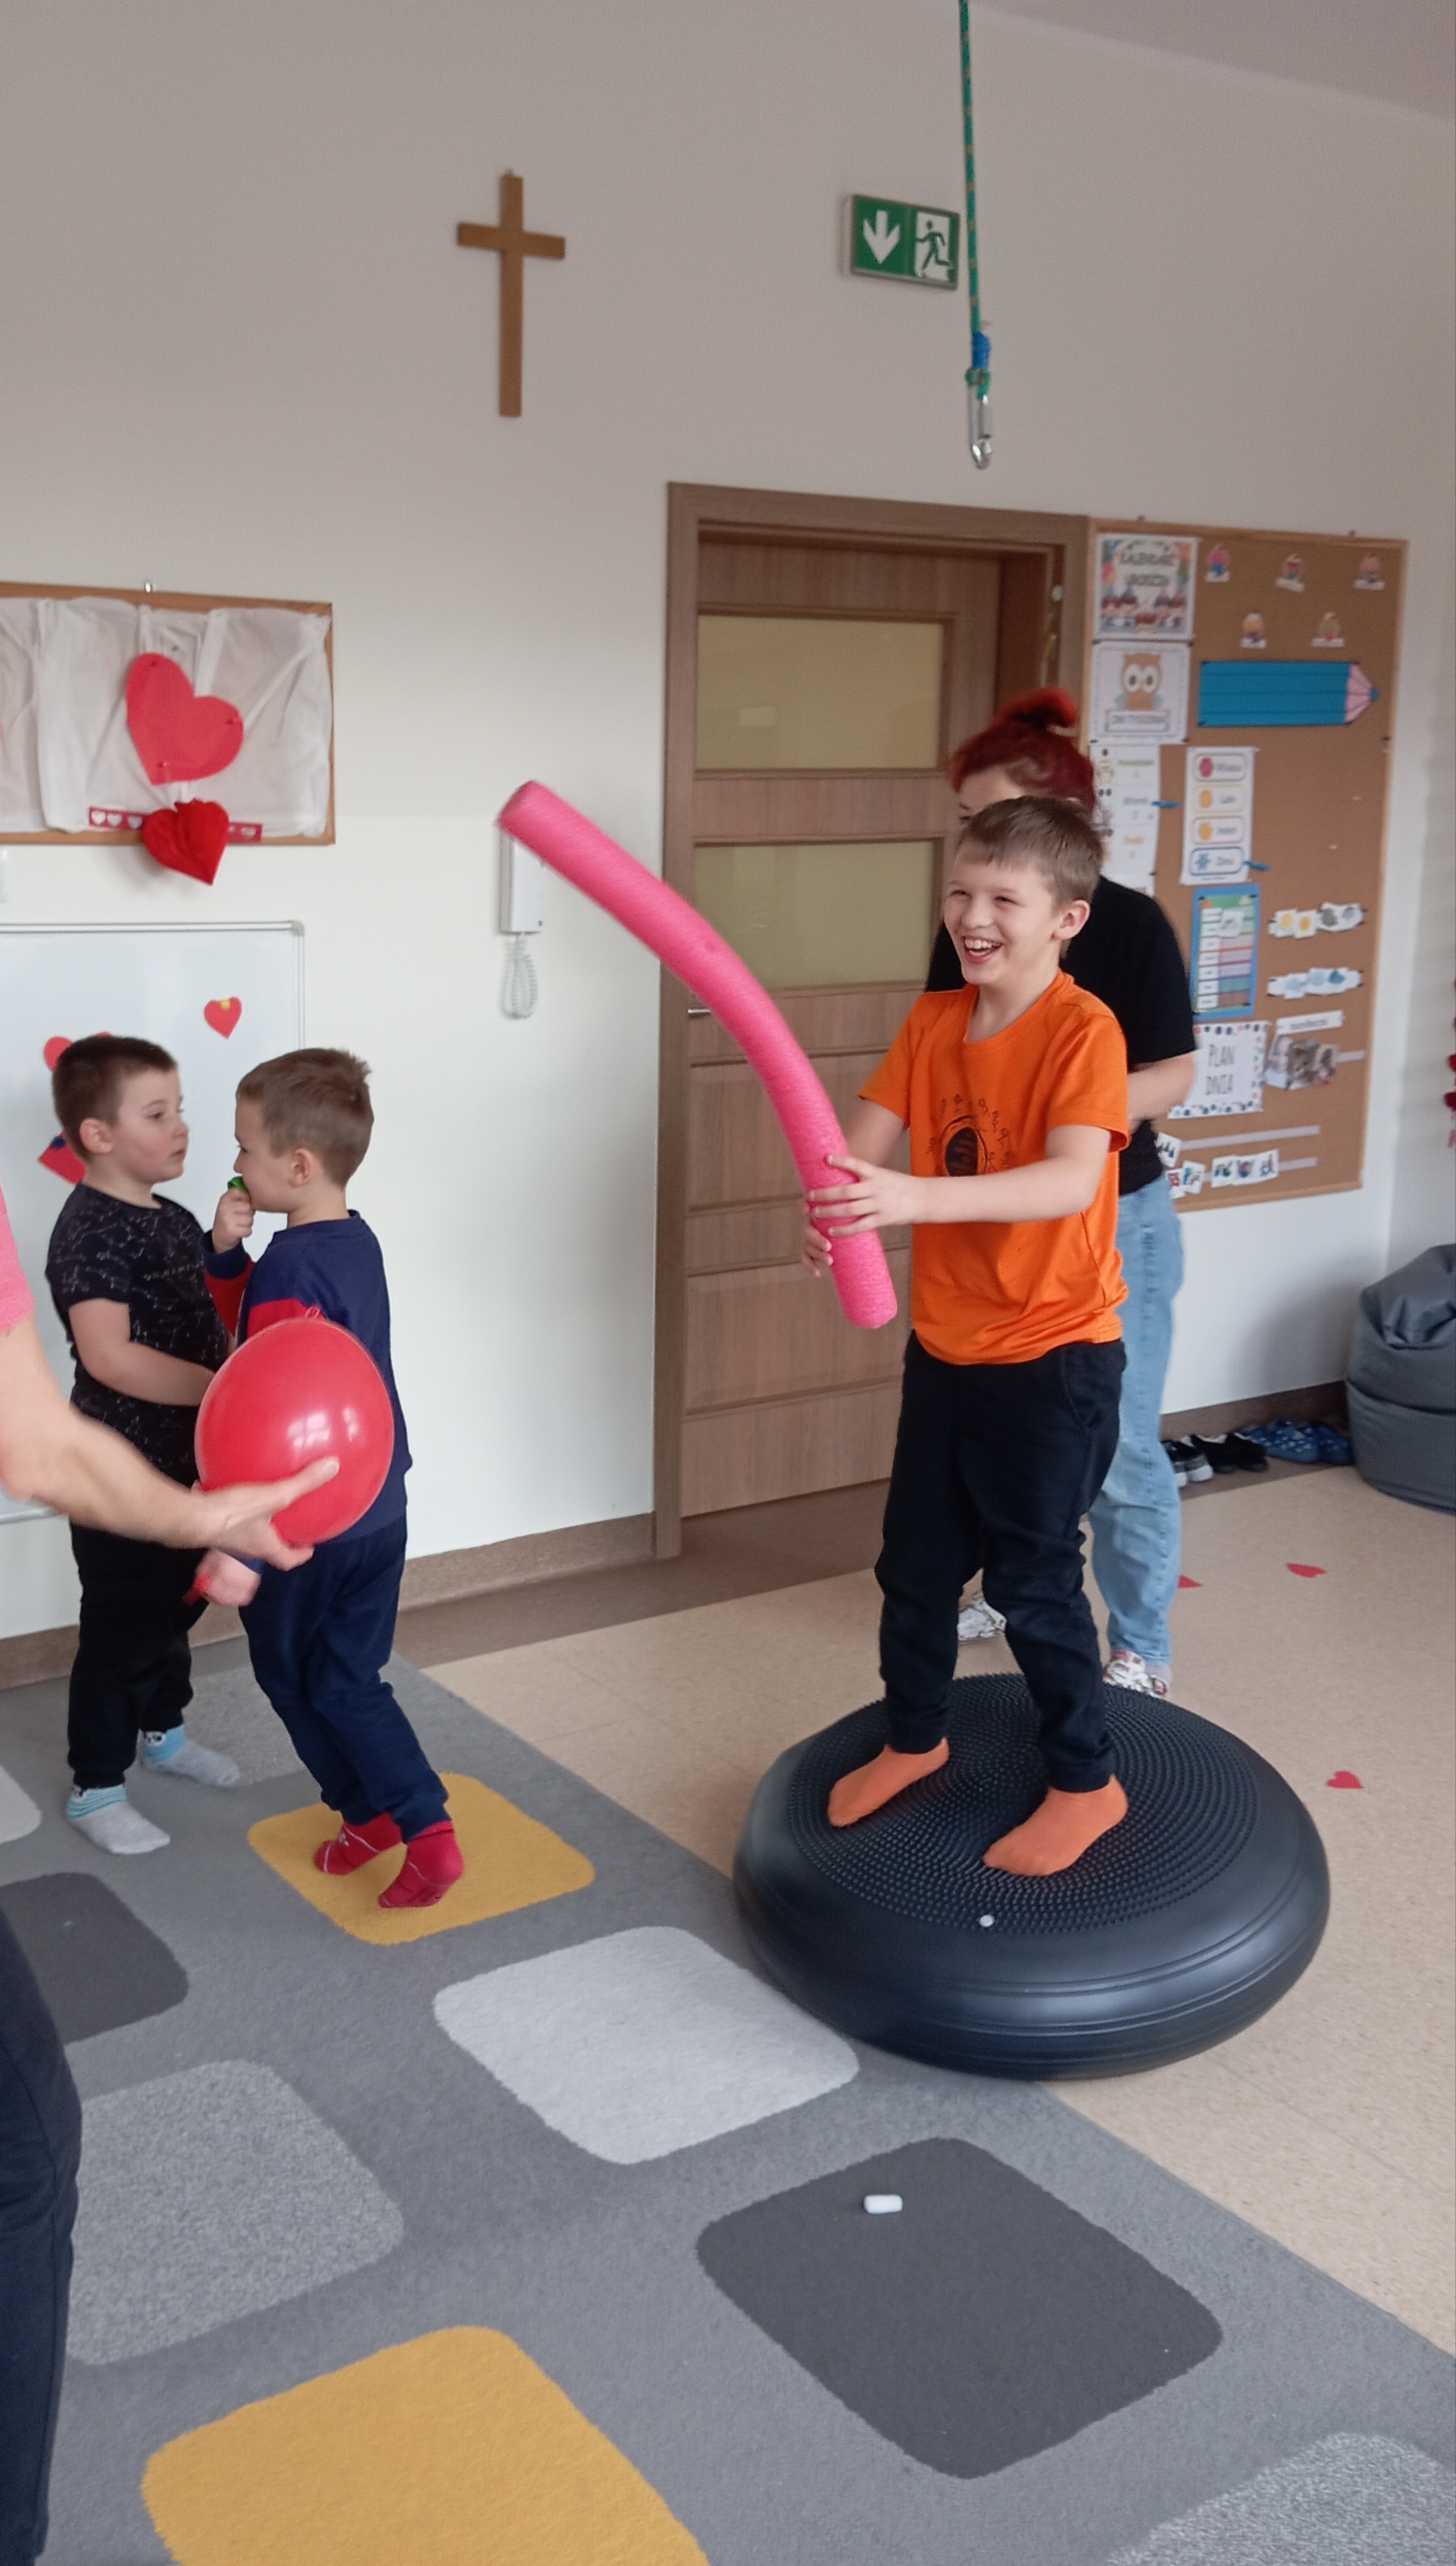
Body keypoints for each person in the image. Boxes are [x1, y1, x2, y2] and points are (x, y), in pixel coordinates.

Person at [0, 1175, 333, 2566]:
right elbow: (55, 1420)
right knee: (23, 2155)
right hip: (135, 1485)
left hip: (168, 1491)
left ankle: (153, 1739)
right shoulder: (85, 1232)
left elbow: (32, 1434)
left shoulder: (189, 1223)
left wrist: (205, 1509)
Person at [805, 797, 1130, 1876]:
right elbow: (859, 1158)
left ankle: (1085, 1782)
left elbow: (1070, 1177)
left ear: (1066, 918)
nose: (971, 916)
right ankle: (914, 1736)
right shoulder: (933, 1020)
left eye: (1003, 898)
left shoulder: (1082, 1031)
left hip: (1053, 1356)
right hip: (946, 1352)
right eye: (959, 891)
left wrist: (907, 1199)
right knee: (913, 1566)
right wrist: (840, 1209)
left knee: (1032, 1583)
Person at [928, 691, 1196, 1696]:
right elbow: (937, 1057)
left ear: (1062, 818)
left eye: (990, 814)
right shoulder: (966, 927)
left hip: (1113, 1219)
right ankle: (1017, 1585)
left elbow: (1172, 1072)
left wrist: (1067, 1117)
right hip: (1001, 1214)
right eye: (966, 820)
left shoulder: (1126, 926)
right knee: (1006, 1420)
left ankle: (1141, 1645)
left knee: (1114, 1441)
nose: (975, 894)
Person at [204, 1050, 462, 1910]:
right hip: (378, 1507)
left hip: (308, 1524)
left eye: (245, 1147)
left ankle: (398, 1819)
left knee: (292, 1676)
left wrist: (240, 1543)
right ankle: (398, 1820)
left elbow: (266, 1403)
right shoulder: (356, 1242)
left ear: (297, 1165)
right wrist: (229, 1257)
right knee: (350, 1675)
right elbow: (275, 1344)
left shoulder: (288, 1270)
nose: (235, 1161)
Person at [46, 1038, 266, 1853]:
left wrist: (219, 1244)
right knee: (123, 1627)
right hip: (119, 1474)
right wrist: (219, 1387)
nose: (181, 1127)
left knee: (176, 1607)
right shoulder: (88, 1229)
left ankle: (163, 1734)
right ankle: (96, 1786)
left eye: (180, 1110)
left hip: (185, 1465)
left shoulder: (167, 1217)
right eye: (157, 1113)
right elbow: (110, 1356)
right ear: (98, 1134)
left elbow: (194, 1309)